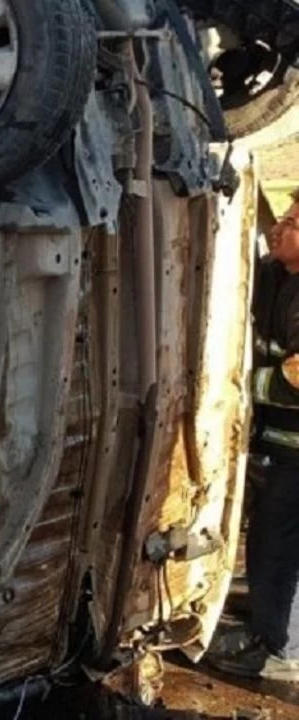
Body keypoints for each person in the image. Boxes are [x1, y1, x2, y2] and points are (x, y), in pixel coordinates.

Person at [206, 188, 299, 682]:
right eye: (282, 217)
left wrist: (241, 383)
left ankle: (271, 645)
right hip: (274, 445)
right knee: (265, 538)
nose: (279, 227)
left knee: (277, 545)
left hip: (294, 453)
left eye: (293, 223)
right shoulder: (272, 274)